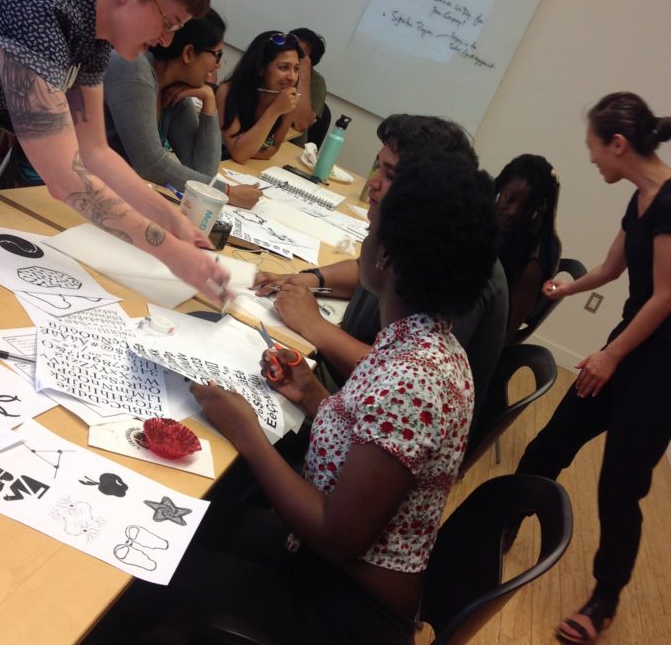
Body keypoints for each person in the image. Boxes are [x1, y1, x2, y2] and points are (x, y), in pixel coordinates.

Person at [85, 146, 500, 644]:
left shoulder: (414, 380)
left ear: (386, 257)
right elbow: (369, 439)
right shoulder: (426, 341)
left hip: (344, 605)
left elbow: (336, 535)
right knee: (187, 523)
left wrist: (247, 433)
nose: (365, 243)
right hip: (326, 563)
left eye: (370, 234)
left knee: (144, 579)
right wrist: (309, 392)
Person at [515, 92, 671, 644]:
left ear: (619, 144)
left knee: (620, 484)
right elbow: (611, 266)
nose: (592, 160)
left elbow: (667, 297)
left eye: (594, 149)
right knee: (551, 443)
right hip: (630, 347)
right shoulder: (641, 198)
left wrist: (609, 354)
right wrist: (566, 285)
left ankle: (604, 603)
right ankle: (492, 533)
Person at [0, 0, 230, 302]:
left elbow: (95, 151)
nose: (167, 40)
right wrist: (171, 254)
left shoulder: (92, 34)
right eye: (169, 22)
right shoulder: (37, 2)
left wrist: (173, 222)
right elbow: (65, 178)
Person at [253, 114, 508, 427]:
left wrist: (312, 323)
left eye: (389, 174)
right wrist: (307, 279)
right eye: (378, 165)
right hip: (341, 396)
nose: (371, 181)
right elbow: (367, 266)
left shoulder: (458, 267)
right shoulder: (411, 238)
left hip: (370, 415)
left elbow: (400, 377)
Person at [103, 10, 261, 208]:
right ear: (188, 53)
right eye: (216, 55)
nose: (218, 66)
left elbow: (203, 169)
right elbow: (151, 164)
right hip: (78, 188)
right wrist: (226, 192)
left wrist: (209, 101)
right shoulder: (133, 68)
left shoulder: (176, 89)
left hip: (117, 194)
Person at [494, 154, 561, 342]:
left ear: (539, 211)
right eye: (509, 199)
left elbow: (504, 333)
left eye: (526, 207)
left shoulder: (534, 262)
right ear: (499, 190)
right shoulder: (488, 217)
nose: (513, 211)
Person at [217, 30, 304, 163]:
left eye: (296, 69)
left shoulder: (290, 101)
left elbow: (273, 148)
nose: (292, 77)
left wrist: (247, 150)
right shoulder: (228, 91)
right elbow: (239, 154)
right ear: (261, 68)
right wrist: (275, 110)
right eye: (283, 67)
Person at [289, 26, 328, 146]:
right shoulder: (268, 64)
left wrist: (304, 72)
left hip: (288, 144)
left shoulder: (316, 81)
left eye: (297, 52)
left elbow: (301, 123)